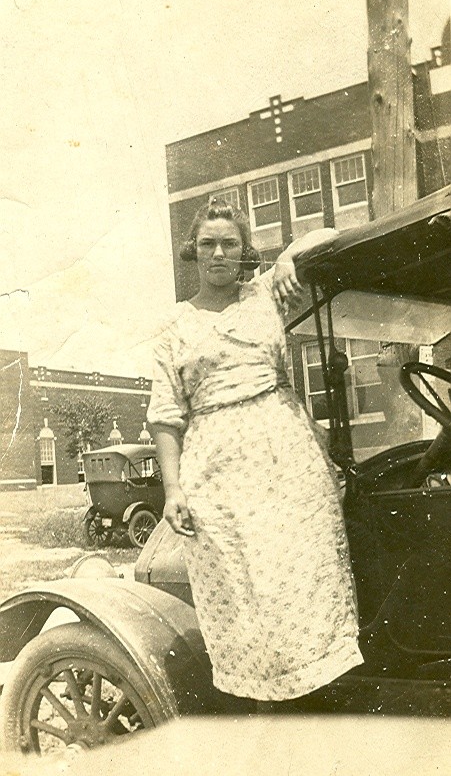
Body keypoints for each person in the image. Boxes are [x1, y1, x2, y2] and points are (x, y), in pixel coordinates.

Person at [147, 197, 363, 705]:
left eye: (230, 244)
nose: (218, 253)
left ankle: (321, 698)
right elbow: (164, 415)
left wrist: (289, 256)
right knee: (243, 590)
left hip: (286, 459)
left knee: (301, 578)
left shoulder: (265, 294)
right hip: (216, 471)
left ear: (244, 251)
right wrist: (173, 489)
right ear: (193, 252)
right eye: (208, 244)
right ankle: (264, 707)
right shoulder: (172, 328)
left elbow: (330, 231)